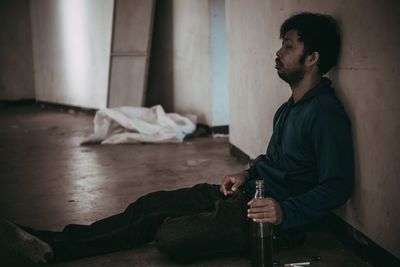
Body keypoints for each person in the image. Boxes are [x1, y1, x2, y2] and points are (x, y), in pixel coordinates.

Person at [0, 12, 354, 264]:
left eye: (289, 47)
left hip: (270, 219)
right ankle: (49, 243)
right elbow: (279, 163)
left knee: (172, 236)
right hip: (246, 195)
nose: (278, 53)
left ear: (312, 58)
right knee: (149, 206)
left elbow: (337, 185)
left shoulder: (324, 114)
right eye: (282, 45)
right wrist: (247, 174)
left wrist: (283, 213)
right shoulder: (290, 107)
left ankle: (53, 246)